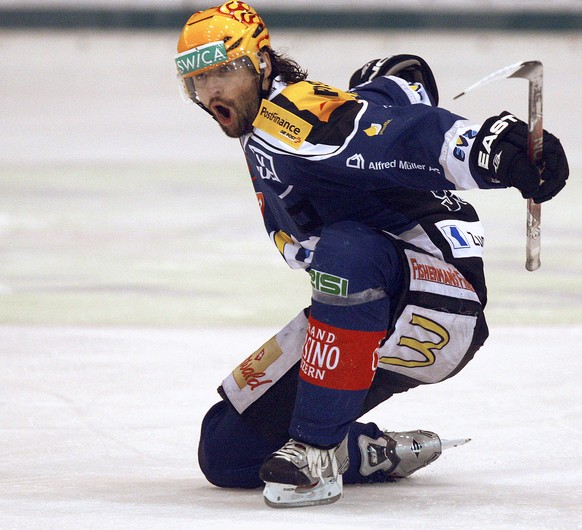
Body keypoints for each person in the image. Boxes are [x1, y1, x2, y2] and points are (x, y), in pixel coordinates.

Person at [175, 2, 569, 508]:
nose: (212, 93)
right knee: (227, 450)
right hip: (372, 313)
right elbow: (403, 77)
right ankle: (367, 451)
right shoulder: (261, 123)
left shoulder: (288, 115)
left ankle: (317, 451)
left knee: (347, 252)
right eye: (198, 81)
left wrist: (486, 149)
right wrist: (392, 87)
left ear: (262, 63)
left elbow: (384, 133)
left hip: (439, 301)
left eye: (224, 71)